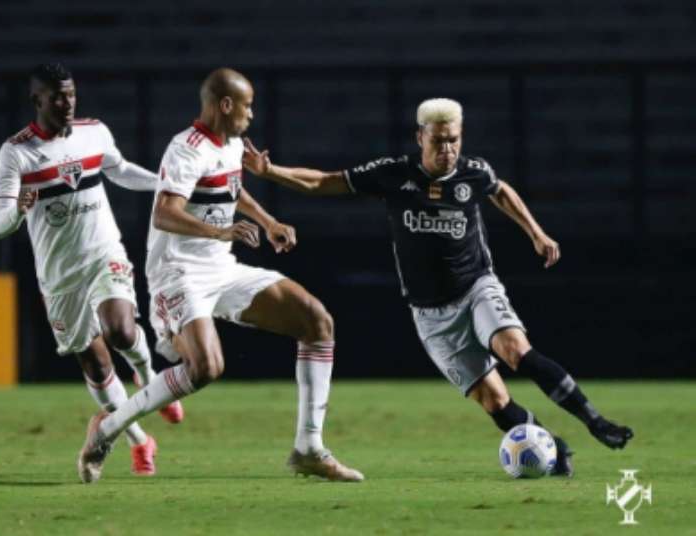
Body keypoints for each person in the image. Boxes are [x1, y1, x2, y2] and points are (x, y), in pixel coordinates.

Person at [241, 97, 634, 476]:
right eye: (438, 141)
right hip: (430, 314)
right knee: (494, 400)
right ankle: (553, 445)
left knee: (514, 349)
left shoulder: (473, 172)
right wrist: (270, 172)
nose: (447, 149)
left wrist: (536, 232)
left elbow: (500, 190)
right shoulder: (395, 174)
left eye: (454, 140)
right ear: (420, 138)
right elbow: (325, 182)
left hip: (476, 286)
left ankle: (595, 421)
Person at [76, 67, 363, 484]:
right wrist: (220, 230)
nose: (251, 114)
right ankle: (105, 428)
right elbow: (164, 211)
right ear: (225, 105)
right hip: (178, 273)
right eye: (247, 106)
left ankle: (309, 448)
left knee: (317, 321)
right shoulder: (186, 148)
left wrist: (268, 221)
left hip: (221, 267)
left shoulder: (230, 144)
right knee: (206, 367)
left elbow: (231, 189)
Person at [0, 62, 184, 477]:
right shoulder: (17, 152)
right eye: (57, 96)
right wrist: (18, 211)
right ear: (37, 99)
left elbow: (120, 170)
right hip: (60, 276)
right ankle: (139, 440)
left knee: (122, 331)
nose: (67, 102)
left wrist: (166, 185)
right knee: (96, 367)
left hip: (102, 252)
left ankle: (152, 380)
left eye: (71, 93)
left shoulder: (94, 132)